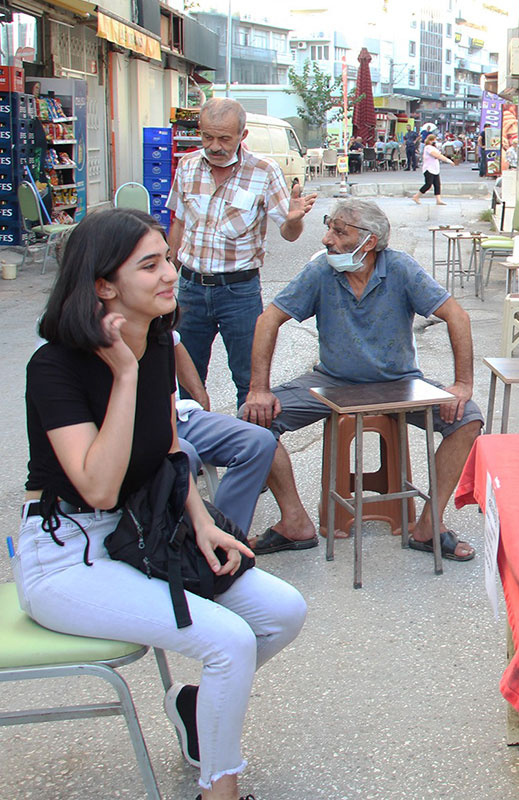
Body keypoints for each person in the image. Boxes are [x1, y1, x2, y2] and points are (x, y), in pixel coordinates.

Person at [19, 208, 306, 800]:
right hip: (69, 557)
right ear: (104, 285)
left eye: (168, 259)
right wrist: (123, 374)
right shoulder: (54, 367)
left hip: (145, 534)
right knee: (228, 640)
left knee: (282, 612)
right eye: (150, 265)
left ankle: (198, 710)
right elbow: (97, 487)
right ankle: (217, 790)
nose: (170, 274)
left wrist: (200, 520)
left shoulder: (153, 343)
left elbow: (171, 447)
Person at [240, 200, 483, 560]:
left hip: (399, 382)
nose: (327, 239)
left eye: (339, 231)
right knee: (253, 420)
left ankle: (430, 524)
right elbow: (268, 320)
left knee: (467, 419)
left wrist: (462, 385)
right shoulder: (322, 271)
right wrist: (258, 390)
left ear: (368, 242)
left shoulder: (399, 268)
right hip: (332, 380)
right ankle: (294, 521)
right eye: (329, 227)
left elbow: (457, 317)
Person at [166, 97, 317, 409]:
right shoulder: (187, 166)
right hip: (190, 289)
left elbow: (289, 234)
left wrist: (294, 220)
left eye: (224, 138)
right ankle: (197, 453)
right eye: (207, 136)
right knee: (186, 380)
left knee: (249, 383)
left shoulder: (264, 171)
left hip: (239, 292)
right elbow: (179, 223)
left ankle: (247, 451)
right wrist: (167, 275)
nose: (214, 145)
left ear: (242, 135)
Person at [174, 334, 277, 535]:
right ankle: (179, 545)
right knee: (182, 455)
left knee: (258, 441)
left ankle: (227, 540)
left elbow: (175, 343)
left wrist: (199, 395)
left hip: (178, 416)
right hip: (131, 428)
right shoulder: (100, 329)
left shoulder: (156, 322)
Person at [413, 133, 447, 206]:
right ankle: (416, 196)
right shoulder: (428, 147)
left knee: (437, 184)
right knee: (428, 184)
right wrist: (448, 160)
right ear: (431, 140)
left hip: (435, 168)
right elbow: (436, 155)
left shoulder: (433, 147)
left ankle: (438, 200)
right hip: (428, 168)